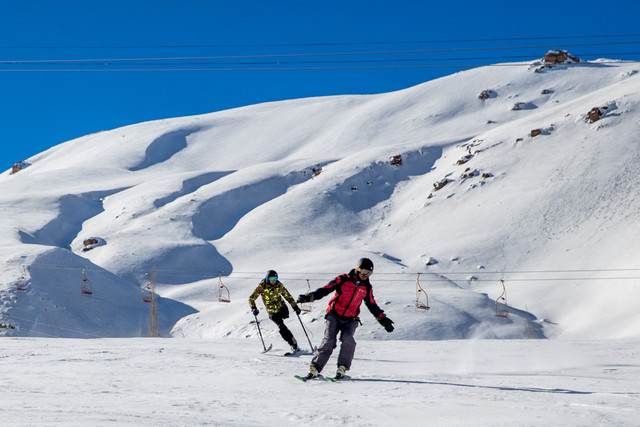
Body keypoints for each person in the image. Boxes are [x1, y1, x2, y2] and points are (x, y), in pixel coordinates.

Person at [296, 257, 394, 380]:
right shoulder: (342, 279)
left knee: (348, 340)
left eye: (369, 273)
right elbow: (325, 289)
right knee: (329, 341)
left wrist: (383, 319)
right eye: (363, 272)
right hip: (334, 315)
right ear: (358, 269)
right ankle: (315, 368)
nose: (365, 275)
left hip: (350, 319)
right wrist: (310, 297)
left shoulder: (367, 287)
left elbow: (371, 304)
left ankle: (342, 368)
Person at [249, 270, 302, 353]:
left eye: (275, 278)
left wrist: (295, 307)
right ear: (267, 278)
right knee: (281, 327)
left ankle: (293, 344)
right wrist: (253, 308)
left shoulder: (279, 285)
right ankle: (293, 345)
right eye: (272, 278)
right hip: (272, 311)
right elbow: (251, 298)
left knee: (282, 326)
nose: (274, 280)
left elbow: (288, 296)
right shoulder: (262, 286)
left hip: (282, 308)